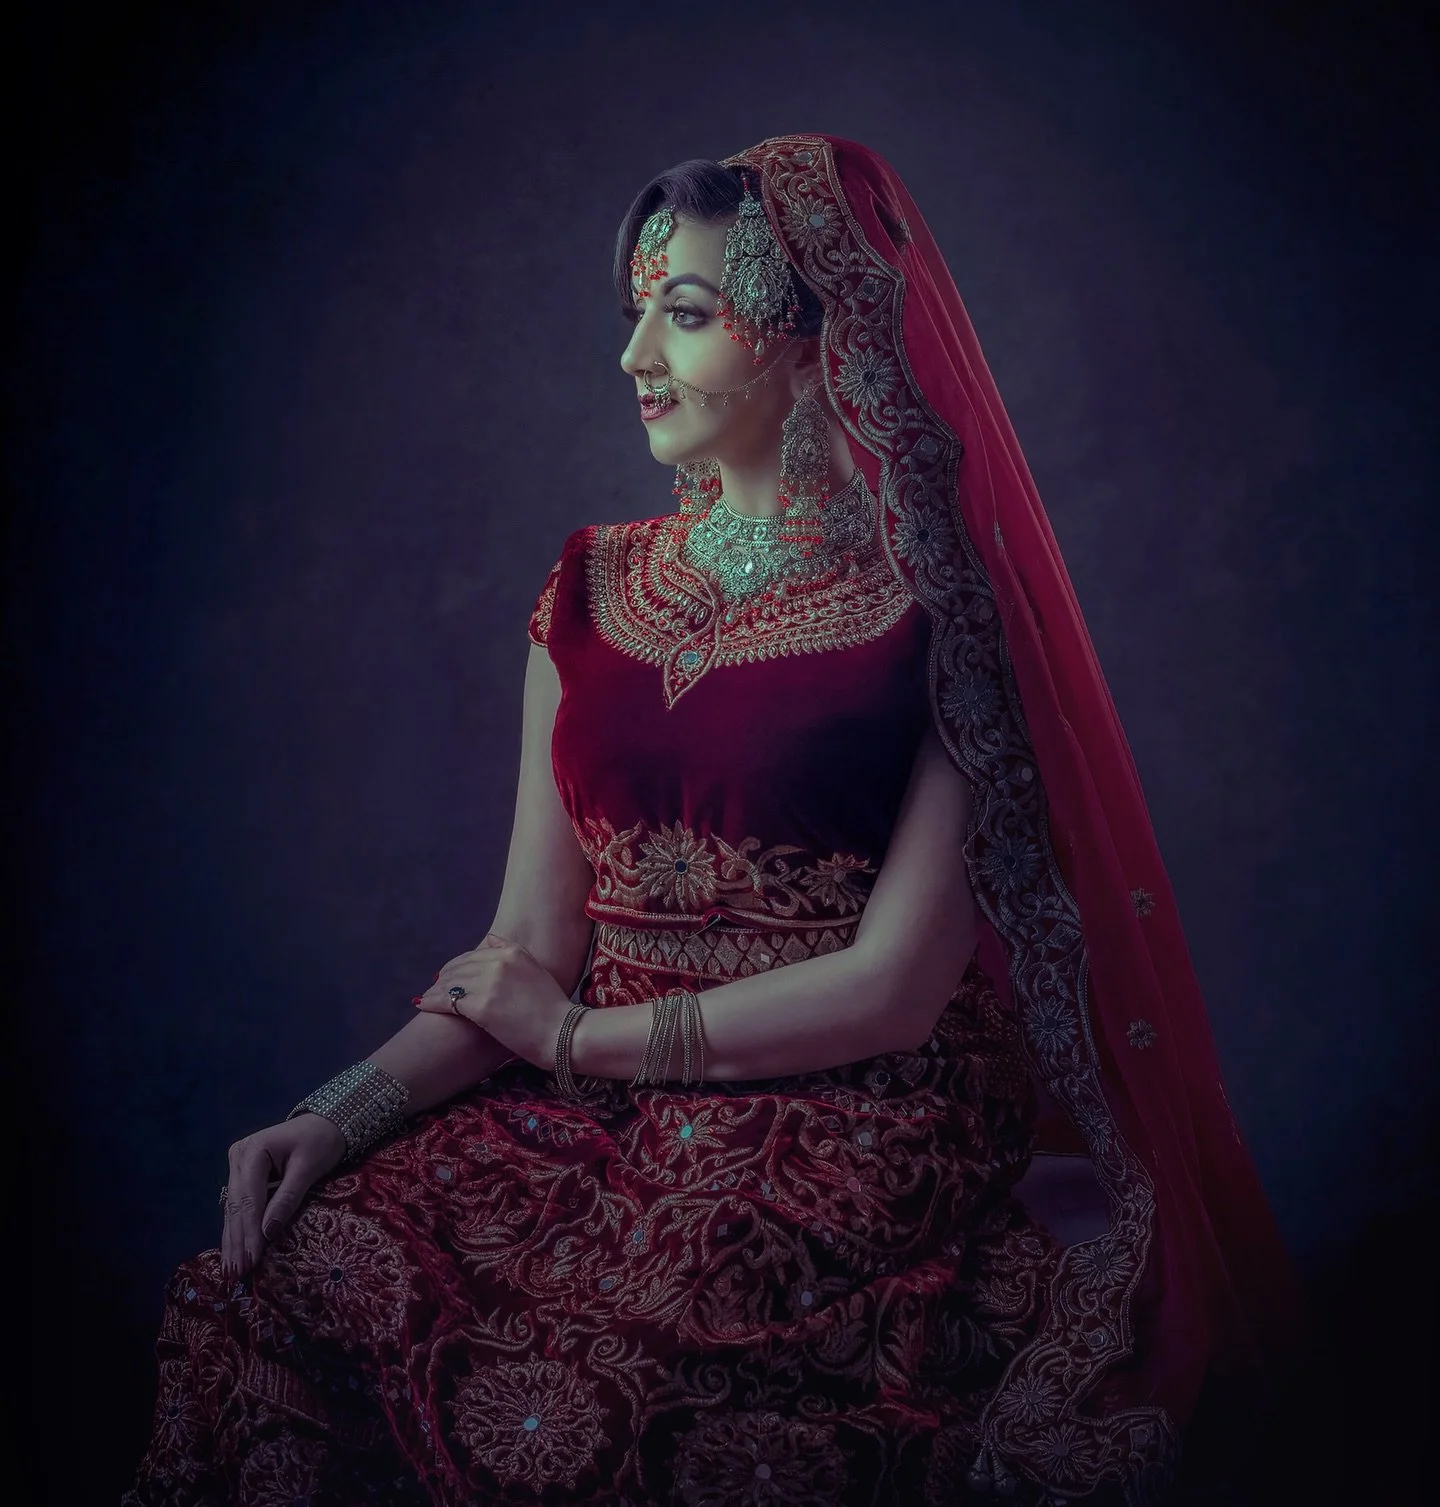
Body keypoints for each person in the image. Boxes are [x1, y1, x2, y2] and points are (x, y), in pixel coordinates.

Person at [125, 134, 1304, 1507]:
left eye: (682, 313)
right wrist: (336, 1111)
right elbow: (525, 939)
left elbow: (893, 991)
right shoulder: (588, 587)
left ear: (813, 342)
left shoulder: (938, 616)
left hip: (857, 1117)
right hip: (608, 1101)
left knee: (572, 1411)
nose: (634, 354)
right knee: (259, 1278)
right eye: (635, 310)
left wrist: (574, 1039)